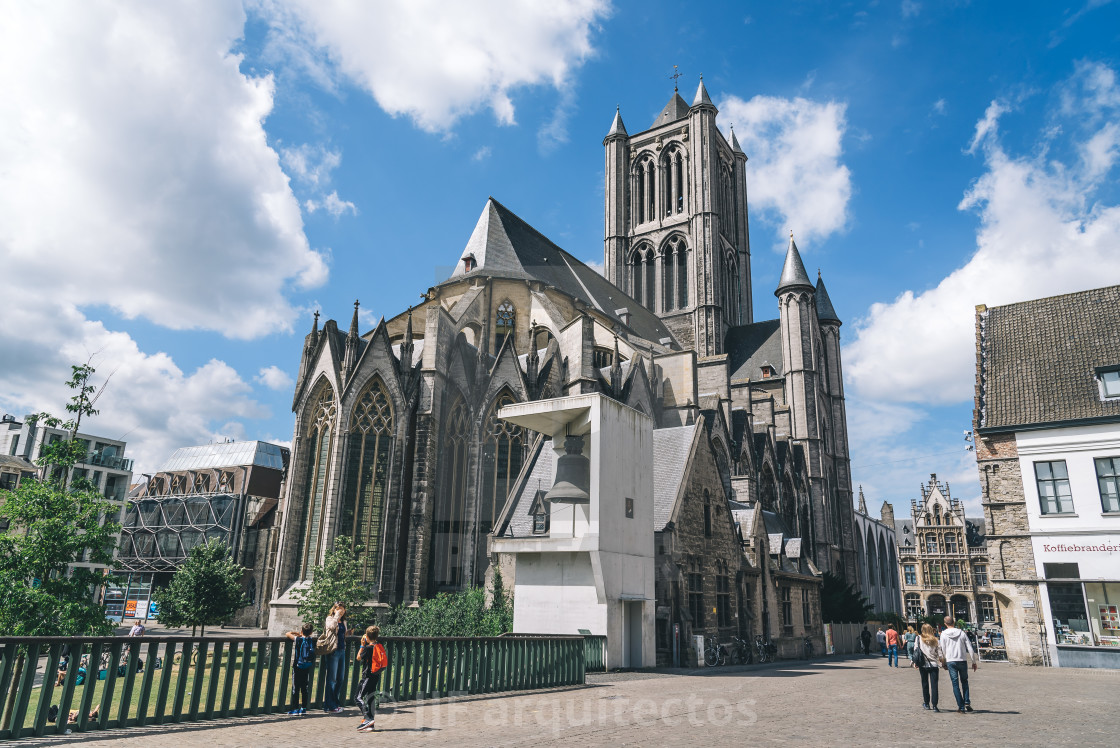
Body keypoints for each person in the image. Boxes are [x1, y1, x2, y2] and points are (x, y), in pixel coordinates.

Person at [939, 615, 978, 713]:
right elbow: (970, 648)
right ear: (954, 622)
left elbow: (942, 650)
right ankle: (967, 702)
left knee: (955, 684)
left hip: (951, 661)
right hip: (962, 660)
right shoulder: (961, 633)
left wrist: (943, 662)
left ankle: (961, 707)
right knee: (964, 681)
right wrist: (973, 661)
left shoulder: (943, 634)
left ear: (945, 624)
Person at [354, 625, 388, 732]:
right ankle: (371, 724)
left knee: (358, 697)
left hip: (367, 676)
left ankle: (367, 718)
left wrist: (362, 645)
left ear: (367, 637)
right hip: (376, 675)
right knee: (370, 698)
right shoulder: (378, 645)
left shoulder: (368, 648)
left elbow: (358, 657)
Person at [323, 603, 349, 713]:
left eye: (342, 610)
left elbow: (342, 634)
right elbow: (331, 627)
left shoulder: (344, 621)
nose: (341, 611)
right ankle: (330, 706)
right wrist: (336, 616)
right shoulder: (330, 619)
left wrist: (348, 633)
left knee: (340, 678)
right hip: (333, 651)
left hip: (342, 650)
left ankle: (334, 702)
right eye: (338, 609)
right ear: (334, 610)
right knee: (332, 679)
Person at [911, 623, 944, 712]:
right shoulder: (936, 640)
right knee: (934, 686)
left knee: (925, 684)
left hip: (923, 664)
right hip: (933, 664)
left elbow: (916, 651)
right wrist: (942, 662)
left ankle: (926, 703)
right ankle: (935, 705)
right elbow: (940, 654)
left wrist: (914, 662)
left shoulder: (918, 638)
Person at [286, 623, 317, 715]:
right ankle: (303, 708)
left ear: (301, 631)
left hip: (297, 666)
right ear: (311, 632)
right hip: (307, 666)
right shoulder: (311, 640)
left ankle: (295, 708)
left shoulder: (298, 639)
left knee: (296, 687)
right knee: (304, 687)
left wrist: (296, 633)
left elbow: (287, 634)